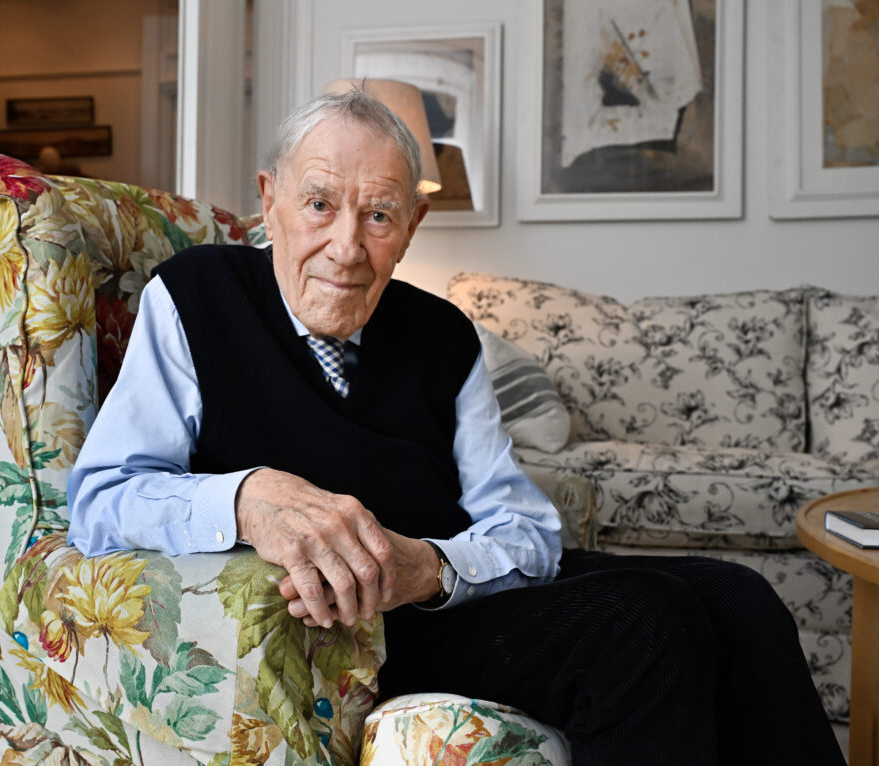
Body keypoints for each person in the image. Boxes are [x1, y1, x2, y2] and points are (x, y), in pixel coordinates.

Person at [67, 88, 844, 765]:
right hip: (365, 630)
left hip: (452, 589)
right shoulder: (197, 296)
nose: (346, 247)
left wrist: (431, 568)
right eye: (319, 205)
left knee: (743, 598)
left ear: (412, 224)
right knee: (643, 625)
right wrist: (245, 499)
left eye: (378, 215)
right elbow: (101, 500)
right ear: (270, 200)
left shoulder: (442, 333)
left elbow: (524, 529)